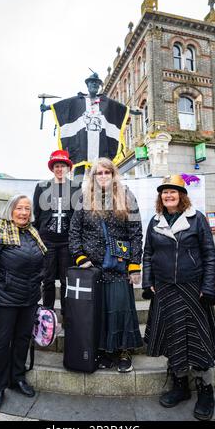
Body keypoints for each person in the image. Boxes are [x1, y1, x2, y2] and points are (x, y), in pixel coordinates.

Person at [142, 174, 215, 421]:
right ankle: (180, 386)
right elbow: (148, 254)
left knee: (199, 340)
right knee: (172, 338)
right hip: (165, 290)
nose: (168, 195)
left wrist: (208, 288)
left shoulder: (197, 219)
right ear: (161, 197)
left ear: (181, 195)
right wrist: (148, 282)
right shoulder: (155, 221)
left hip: (192, 289)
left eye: (173, 191)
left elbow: (210, 256)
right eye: (165, 192)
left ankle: (205, 390)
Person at [69, 158, 143, 372]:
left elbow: (136, 232)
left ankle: (124, 352)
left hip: (119, 266)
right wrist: (80, 257)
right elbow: (74, 232)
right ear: (93, 177)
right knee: (100, 312)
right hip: (93, 268)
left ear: (113, 174)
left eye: (106, 173)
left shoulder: (127, 196)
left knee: (120, 310)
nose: (102, 176)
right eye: (98, 173)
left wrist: (134, 265)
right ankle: (105, 351)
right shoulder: (84, 199)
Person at [0, 194, 47, 415]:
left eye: (27, 209)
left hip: (28, 300)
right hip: (4, 301)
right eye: (19, 208)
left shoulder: (32, 234)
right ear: (10, 210)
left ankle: (17, 378)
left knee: (22, 340)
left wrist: (38, 285)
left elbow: (40, 264)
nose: (24, 212)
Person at [40, 72, 141, 175]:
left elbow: (120, 108)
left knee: (100, 173)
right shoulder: (78, 101)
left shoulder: (106, 102)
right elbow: (64, 105)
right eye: (92, 82)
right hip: (82, 145)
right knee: (79, 171)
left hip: (100, 146)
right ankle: (76, 190)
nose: (94, 85)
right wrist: (47, 107)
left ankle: (101, 190)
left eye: (97, 83)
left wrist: (132, 111)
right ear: (87, 85)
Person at [33, 150, 80, 320]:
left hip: (67, 242)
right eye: (57, 166)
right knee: (48, 280)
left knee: (67, 280)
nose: (60, 169)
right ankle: (47, 314)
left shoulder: (76, 187)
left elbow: (78, 215)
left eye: (63, 166)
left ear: (68, 168)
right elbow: (36, 215)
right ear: (52, 168)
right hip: (48, 242)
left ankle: (68, 315)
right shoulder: (41, 187)